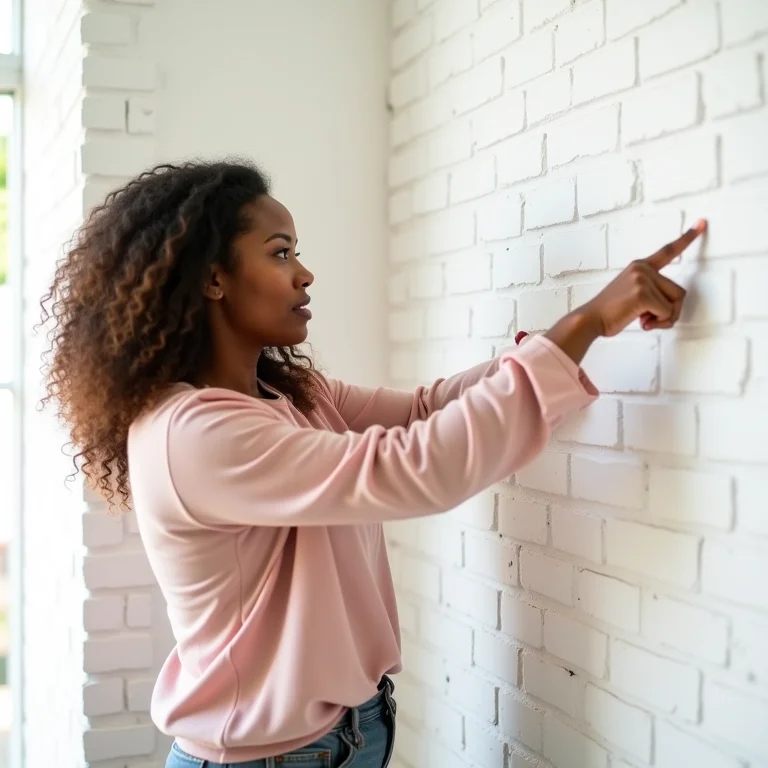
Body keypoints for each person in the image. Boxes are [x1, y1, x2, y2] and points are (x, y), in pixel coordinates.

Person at [40, 160, 706, 768]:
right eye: (280, 254)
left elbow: (425, 410)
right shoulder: (193, 434)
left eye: (297, 252)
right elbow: (415, 465)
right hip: (261, 759)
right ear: (213, 278)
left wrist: (582, 332)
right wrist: (588, 321)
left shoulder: (291, 395)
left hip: (353, 731)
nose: (304, 273)